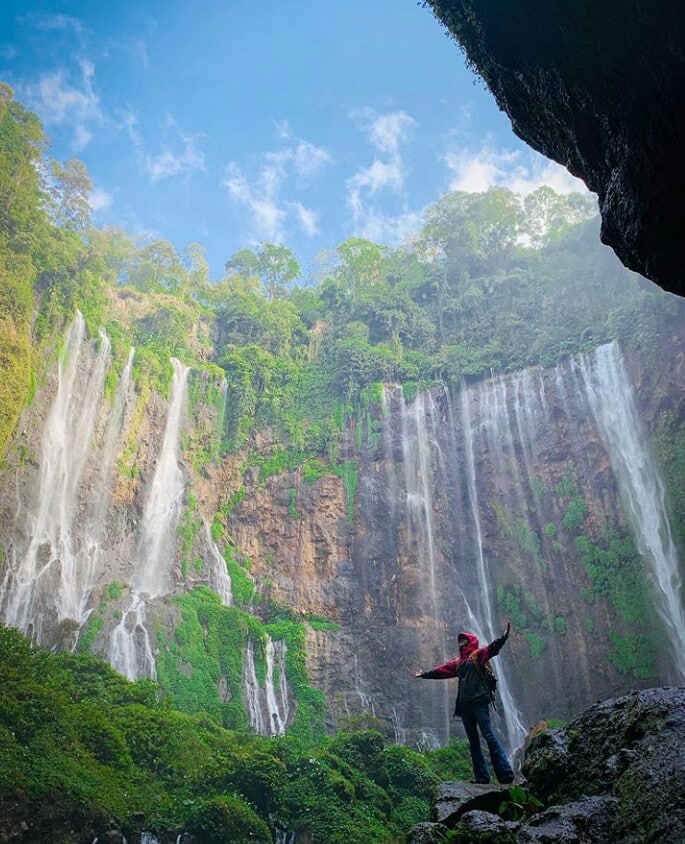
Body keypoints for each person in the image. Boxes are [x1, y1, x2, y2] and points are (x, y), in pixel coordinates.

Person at [412, 623, 514, 785]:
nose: (461, 644)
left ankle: (505, 773)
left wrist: (504, 637)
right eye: (460, 641)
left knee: (489, 736)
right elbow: (441, 671)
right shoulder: (458, 663)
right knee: (473, 742)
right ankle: (482, 776)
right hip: (465, 706)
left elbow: (492, 649)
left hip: (479, 702)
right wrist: (424, 674)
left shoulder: (477, 655)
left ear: (470, 642)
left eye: (464, 641)